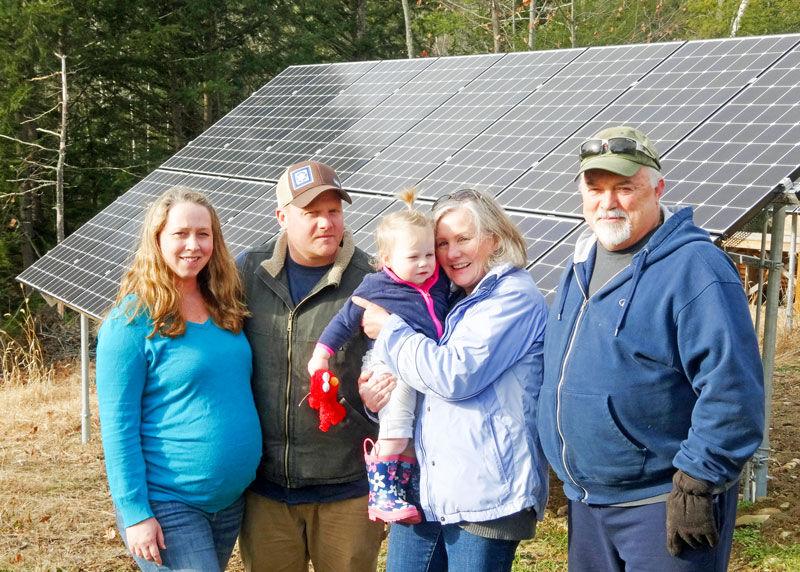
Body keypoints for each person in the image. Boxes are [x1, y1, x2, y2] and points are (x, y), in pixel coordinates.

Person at [537, 125, 765, 571]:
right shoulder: (582, 261)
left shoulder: (694, 269)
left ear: (658, 188)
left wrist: (698, 481)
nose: (608, 202)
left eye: (625, 188)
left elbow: (732, 389)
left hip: (662, 503)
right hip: (589, 502)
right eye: (596, 188)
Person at [356, 189, 549, 572]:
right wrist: (379, 392)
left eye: (464, 239)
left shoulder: (512, 298)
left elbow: (453, 375)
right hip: (427, 487)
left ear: (493, 238)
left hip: (486, 495)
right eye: (442, 243)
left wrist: (390, 331)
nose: (451, 253)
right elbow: (420, 377)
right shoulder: (449, 299)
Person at [95, 187, 262, 571]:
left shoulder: (225, 305)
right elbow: (118, 429)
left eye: (203, 234)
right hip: (169, 504)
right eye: (180, 234)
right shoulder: (131, 321)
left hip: (229, 503)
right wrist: (135, 513)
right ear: (157, 240)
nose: (193, 245)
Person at [237, 160, 385, 571]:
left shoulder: (373, 282)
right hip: (265, 491)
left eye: (333, 211)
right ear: (282, 216)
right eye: (311, 213)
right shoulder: (248, 272)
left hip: (347, 488)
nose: (325, 223)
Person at [307, 188, 449, 525]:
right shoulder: (376, 287)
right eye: (414, 257)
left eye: (429, 255)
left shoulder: (438, 284)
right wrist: (321, 357)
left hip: (420, 364)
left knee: (412, 438)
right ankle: (381, 491)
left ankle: (400, 491)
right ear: (386, 260)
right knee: (398, 432)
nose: (425, 263)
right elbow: (343, 323)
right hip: (388, 368)